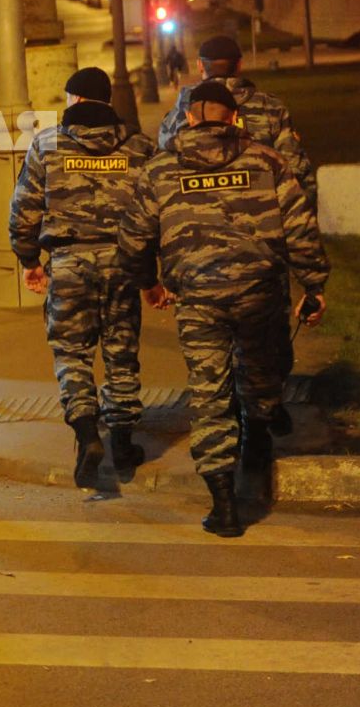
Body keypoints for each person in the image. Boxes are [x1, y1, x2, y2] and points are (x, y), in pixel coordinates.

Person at [117, 80, 329, 537]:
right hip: (259, 292)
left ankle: (224, 505)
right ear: (234, 117)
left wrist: (149, 284)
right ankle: (255, 442)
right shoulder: (267, 161)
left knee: (209, 393)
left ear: (190, 116)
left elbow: (133, 240)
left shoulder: (159, 171)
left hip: (197, 299)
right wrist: (313, 285)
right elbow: (301, 229)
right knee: (259, 371)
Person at [9, 67, 160, 489]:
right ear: (107, 101)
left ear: (73, 99)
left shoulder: (47, 144)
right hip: (123, 263)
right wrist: (149, 270)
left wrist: (29, 259)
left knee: (72, 352)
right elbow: (154, 212)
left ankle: (87, 432)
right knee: (120, 349)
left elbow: (23, 209)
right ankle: (124, 444)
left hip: (69, 263)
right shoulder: (138, 146)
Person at [156, 34, 316, 210]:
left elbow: (163, 159)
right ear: (239, 65)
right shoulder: (270, 107)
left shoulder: (184, 108)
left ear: (200, 65)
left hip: (195, 211)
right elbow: (295, 166)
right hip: (260, 210)